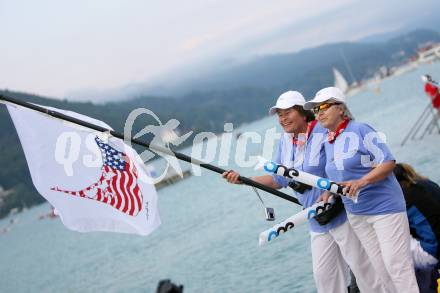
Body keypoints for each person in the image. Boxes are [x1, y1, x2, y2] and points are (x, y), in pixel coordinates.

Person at [223, 90, 387, 293]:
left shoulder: (323, 131)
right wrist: (244, 180)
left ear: (303, 112)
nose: (282, 119)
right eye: (279, 115)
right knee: (324, 277)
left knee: (364, 271)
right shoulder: (285, 141)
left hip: (342, 212)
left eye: (287, 112)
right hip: (316, 220)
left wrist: (331, 189)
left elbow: (342, 166)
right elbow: (278, 178)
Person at [304, 86, 419, 293]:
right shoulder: (330, 140)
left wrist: (361, 182)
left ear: (340, 108)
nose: (318, 112)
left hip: (385, 208)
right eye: (315, 109)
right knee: (382, 271)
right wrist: (329, 191)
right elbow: (338, 173)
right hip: (357, 214)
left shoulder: (360, 129)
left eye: (323, 106)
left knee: (397, 267)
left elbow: (388, 162)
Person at [394, 163, 440, 292]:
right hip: (436, 247)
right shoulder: (428, 183)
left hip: (434, 253)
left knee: (394, 249)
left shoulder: (402, 198)